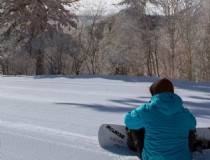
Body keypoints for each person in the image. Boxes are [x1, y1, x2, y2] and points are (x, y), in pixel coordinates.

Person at [124, 78, 197, 160]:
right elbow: (193, 124)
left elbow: (128, 120)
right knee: (190, 128)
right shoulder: (183, 111)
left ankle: (132, 146)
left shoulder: (147, 109)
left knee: (134, 126)